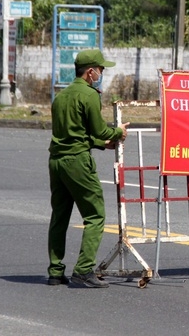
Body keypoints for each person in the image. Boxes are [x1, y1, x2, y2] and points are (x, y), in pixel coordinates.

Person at [47, 49, 129, 288]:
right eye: (101, 69)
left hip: (56, 161)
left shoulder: (60, 97)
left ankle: (55, 270)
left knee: (59, 216)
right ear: (90, 72)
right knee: (95, 215)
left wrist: (102, 144)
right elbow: (99, 130)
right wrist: (118, 132)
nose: (102, 73)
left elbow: (73, 135)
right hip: (77, 162)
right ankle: (83, 270)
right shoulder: (89, 94)